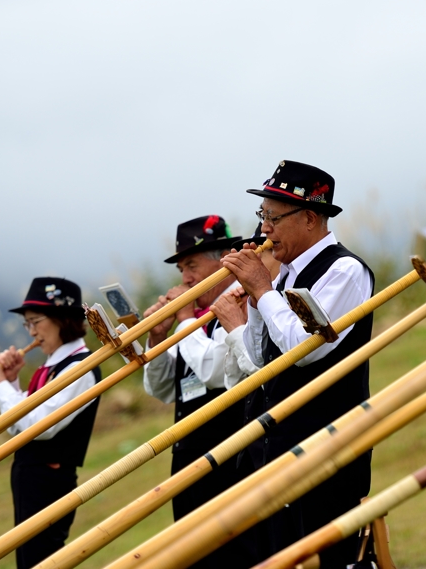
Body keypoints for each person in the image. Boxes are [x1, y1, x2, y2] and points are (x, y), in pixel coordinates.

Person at [221, 160, 374, 568]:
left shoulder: (344, 270)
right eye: (262, 216)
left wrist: (261, 289)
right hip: (281, 448)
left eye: (273, 217)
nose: (264, 229)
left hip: (327, 451)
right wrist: (257, 300)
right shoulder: (284, 278)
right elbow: (260, 357)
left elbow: (307, 348)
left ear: (310, 218)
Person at [140, 215, 256, 569]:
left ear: (223, 260)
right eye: (181, 270)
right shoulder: (197, 320)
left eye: (191, 265)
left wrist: (186, 320)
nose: (185, 278)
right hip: (188, 459)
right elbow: (160, 388)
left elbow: (213, 372)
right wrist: (157, 338)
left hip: (229, 457)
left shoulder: (238, 304)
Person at [0, 277, 100, 569]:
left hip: (50, 478)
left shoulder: (79, 367)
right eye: (27, 324)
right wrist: (11, 383)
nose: (31, 332)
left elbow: (39, 426)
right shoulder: (52, 366)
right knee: (28, 559)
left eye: (35, 321)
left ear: (62, 319)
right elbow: (18, 427)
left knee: (42, 559)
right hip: (32, 476)